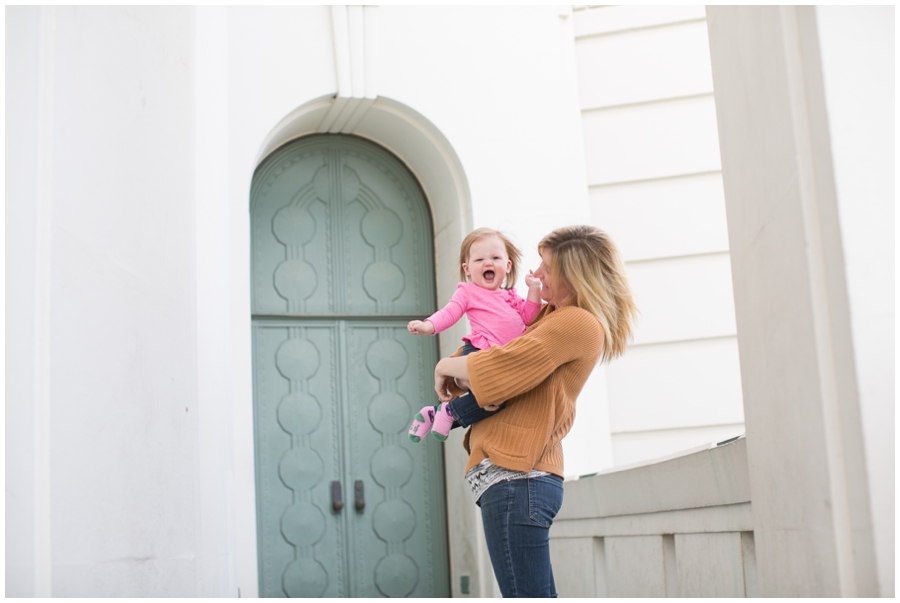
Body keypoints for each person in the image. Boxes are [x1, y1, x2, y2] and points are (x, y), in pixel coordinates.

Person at [433, 225, 637, 598]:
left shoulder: (575, 322)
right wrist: (456, 371)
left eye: (546, 267)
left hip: (518, 479)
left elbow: (502, 367)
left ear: (573, 276)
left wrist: (444, 368)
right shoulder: (547, 317)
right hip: (515, 480)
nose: (536, 275)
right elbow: (491, 359)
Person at [407, 228, 542, 442]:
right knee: (495, 399)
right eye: (479, 259)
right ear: (467, 269)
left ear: (507, 266)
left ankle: (432, 414)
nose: (487, 263)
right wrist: (428, 326)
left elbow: (530, 317)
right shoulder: (468, 292)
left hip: (501, 359)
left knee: (493, 402)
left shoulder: (512, 297)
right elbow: (449, 313)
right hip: (480, 351)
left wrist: (534, 290)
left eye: (495, 258)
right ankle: (448, 412)